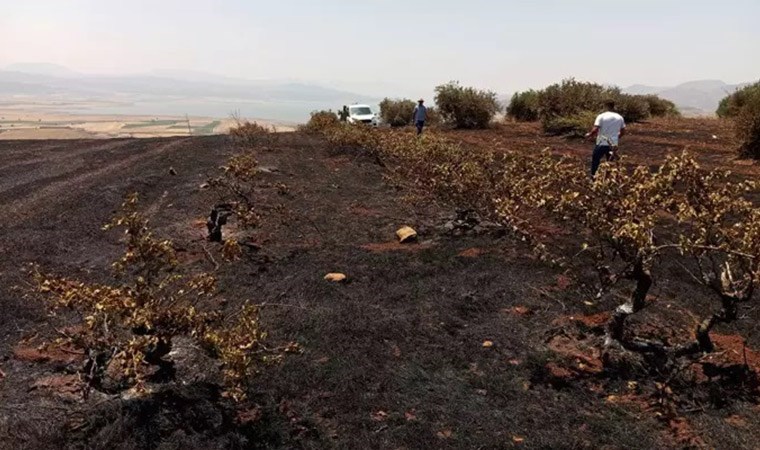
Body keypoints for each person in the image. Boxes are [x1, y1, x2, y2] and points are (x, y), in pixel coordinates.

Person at [585, 100, 626, 177]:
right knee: (610, 162)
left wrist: (589, 135)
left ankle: (594, 177)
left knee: (596, 160)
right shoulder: (619, 117)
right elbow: (623, 131)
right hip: (613, 144)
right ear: (613, 106)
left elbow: (595, 129)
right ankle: (608, 177)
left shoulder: (601, 116)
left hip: (601, 143)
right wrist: (616, 137)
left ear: (605, 106)